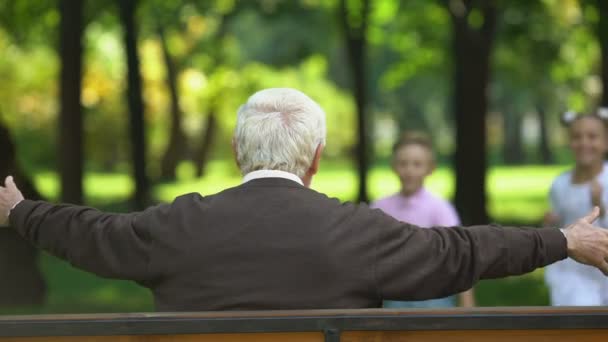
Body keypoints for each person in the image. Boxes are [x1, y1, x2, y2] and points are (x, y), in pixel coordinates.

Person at [1, 88, 608, 312]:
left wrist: (21, 213)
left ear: (239, 153)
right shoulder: (359, 232)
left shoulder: (177, 226)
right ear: (315, 160)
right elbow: (458, 253)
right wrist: (563, 240)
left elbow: (90, 234)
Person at [371, 132, 475, 308]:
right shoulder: (380, 207)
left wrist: (467, 300)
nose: (409, 170)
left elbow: (459, 253)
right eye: (403, 163)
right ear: (394, 166)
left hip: (433, 295)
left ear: (430, 168)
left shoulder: (440, 208)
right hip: (394, 295)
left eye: (417, 164)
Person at [544, 109, 608, 306]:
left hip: (603, 265)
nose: (584, 143)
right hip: (572, 271)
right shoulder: (560, 184)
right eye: (577, 137)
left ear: (605, 142)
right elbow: (559, 228)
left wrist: (601, 206)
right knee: (581, 315)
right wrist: (549, 225)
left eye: (592, 137)